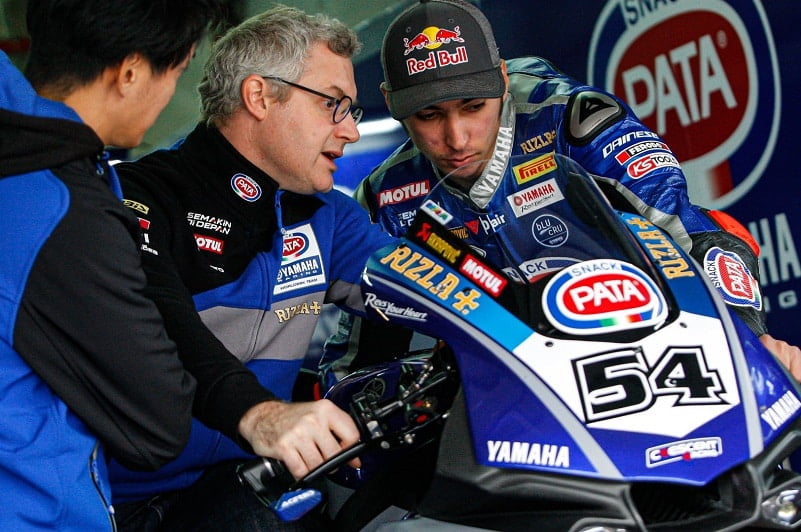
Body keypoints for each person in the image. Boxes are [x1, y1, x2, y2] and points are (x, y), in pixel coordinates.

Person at [323, 0, 801, 380]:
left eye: (473, 107)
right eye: (428, 116)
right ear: (392, 103)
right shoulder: (388, 196)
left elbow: (696, 233)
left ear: (502, 80)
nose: (457, 137)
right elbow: (362, 351)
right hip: (514, 389)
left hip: (650, 346)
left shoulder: (572, 122)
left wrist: (746, 340)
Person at [107, 6, 395, 531]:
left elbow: (430, 287)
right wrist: (263, 415)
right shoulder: (137, 196)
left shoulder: (331, 217)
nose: (352, 130)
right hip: (110, 500)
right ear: (259, 96)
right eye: (332, 104)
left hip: (246, 483)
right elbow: (154, 322)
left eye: (351, 110)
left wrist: (537, 312)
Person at [0, 0, 223, 529]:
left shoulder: (29, 159)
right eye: (177, 72)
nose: (171, 93)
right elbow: (158, 423)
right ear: (130, 73)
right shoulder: (59, 205)